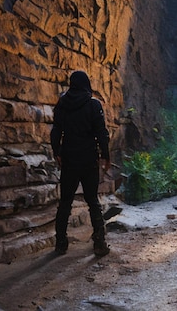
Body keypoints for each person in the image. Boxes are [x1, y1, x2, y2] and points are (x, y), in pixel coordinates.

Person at [50, 70, 111, 256]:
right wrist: (105, 156)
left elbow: (56, 131)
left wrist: (56, 152)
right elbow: (101, 132)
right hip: (88, 158)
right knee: (92, 200)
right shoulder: (93, 104)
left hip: (69, 158)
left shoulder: (63, 103)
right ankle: (99, 243)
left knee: (65, 201)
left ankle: (61, 243)